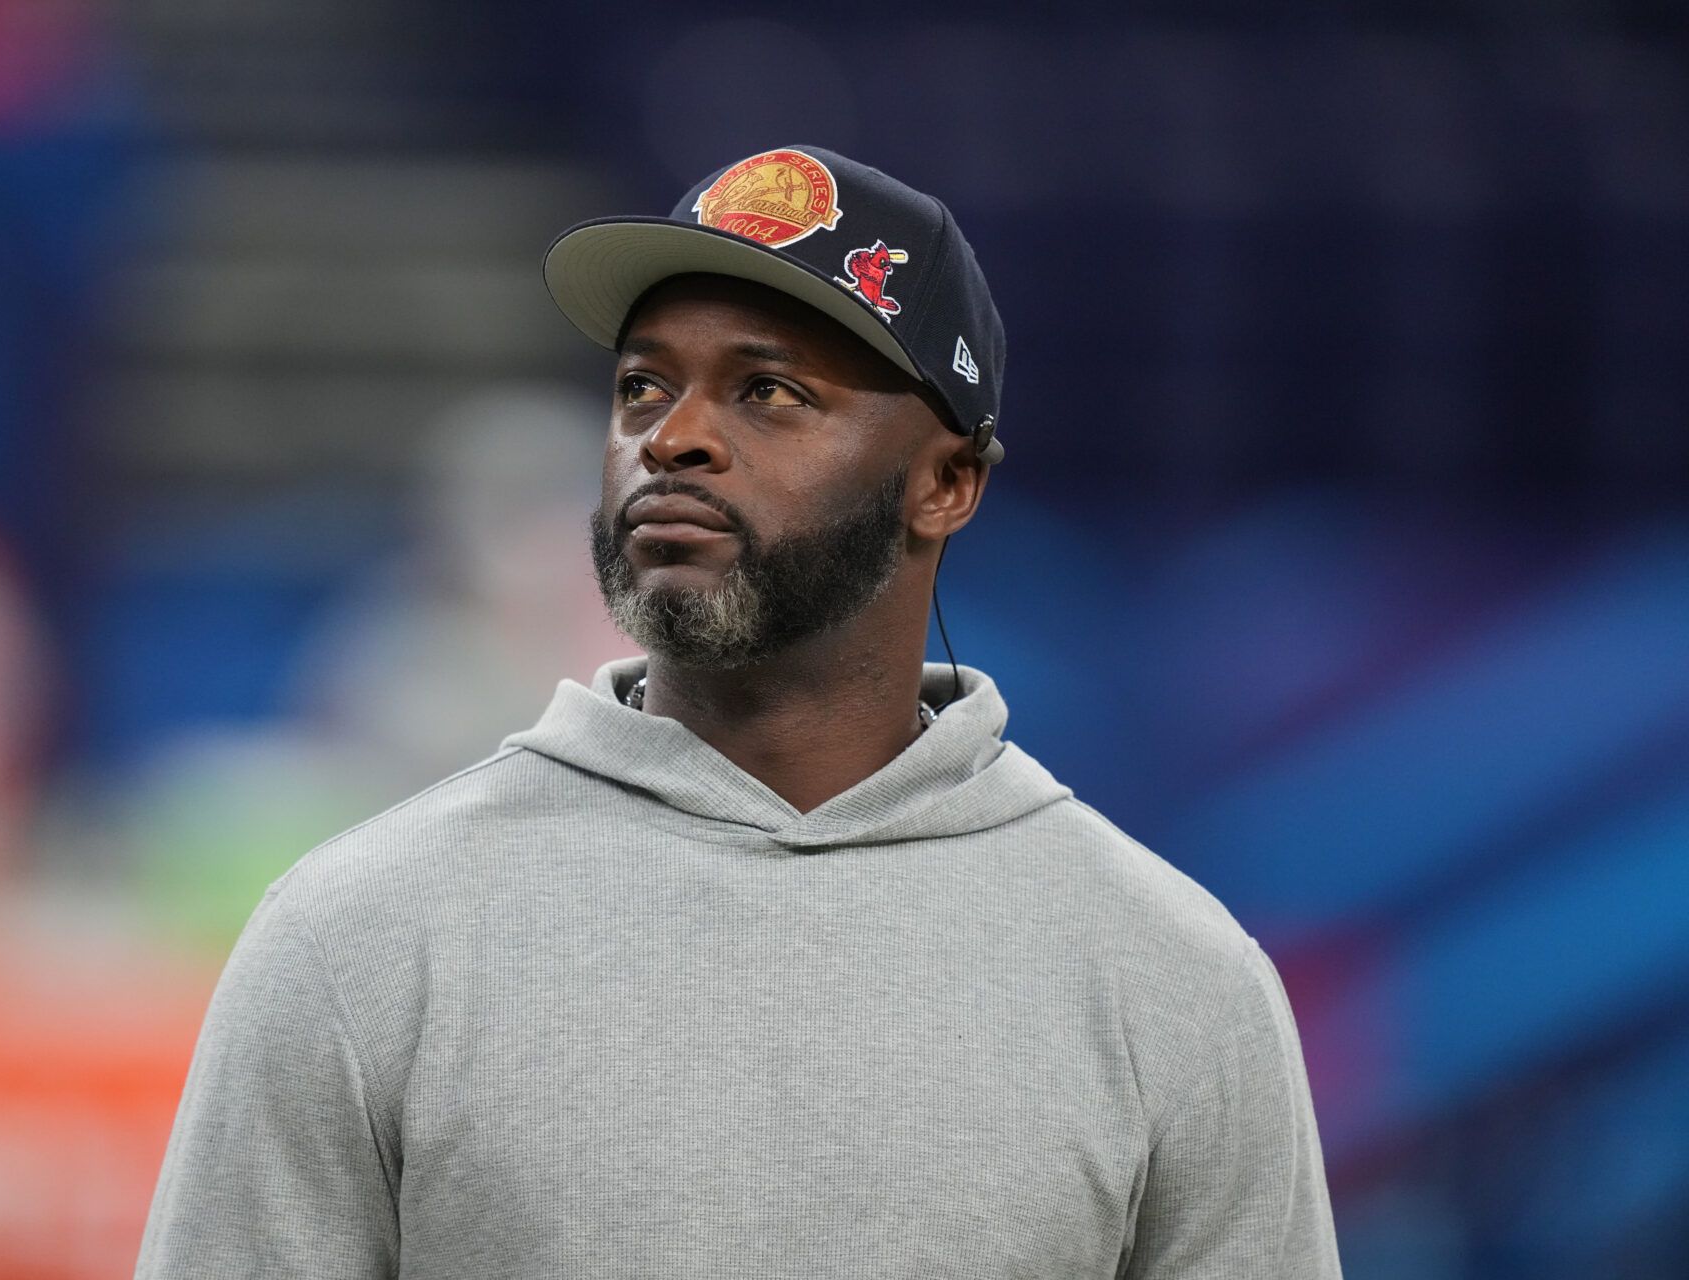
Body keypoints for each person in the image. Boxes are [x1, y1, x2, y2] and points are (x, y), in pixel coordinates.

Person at [135, 145, 1343, 1278]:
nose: (674, 439)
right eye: (642, 386)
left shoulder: (1173, 982)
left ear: (946, 481)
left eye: (768, 391)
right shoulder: (357, 938)